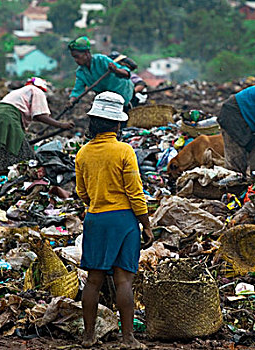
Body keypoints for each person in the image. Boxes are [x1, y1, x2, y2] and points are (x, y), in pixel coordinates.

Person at [75, 91, 153, 349]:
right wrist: (147, 224)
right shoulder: (124, 151)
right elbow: (135, 192)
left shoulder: (83, 153)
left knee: (94, 279)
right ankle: (128, 339)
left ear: (94, 121)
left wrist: (98, 201)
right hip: (123, 221)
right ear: (118, 123)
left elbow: (82, 193)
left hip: (95, 218)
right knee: (123, 280)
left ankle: (88, 337)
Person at [0, 77, 74, 173]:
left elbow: (34, 116)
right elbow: (40, 115)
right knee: (24, 155)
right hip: (7, 119)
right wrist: (61, 125)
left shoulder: (18, 92)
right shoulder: (37, 91)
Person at [68, 36, 134, 110]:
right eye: (74, 57)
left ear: (86, 53)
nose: (76, 60)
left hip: (121, 92)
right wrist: (72, 101)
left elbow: (126, 73)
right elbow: (77, 90)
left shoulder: (101, 60)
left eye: (77, 56)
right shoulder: (81, 72)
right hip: (105, 97)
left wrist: (116, 70)